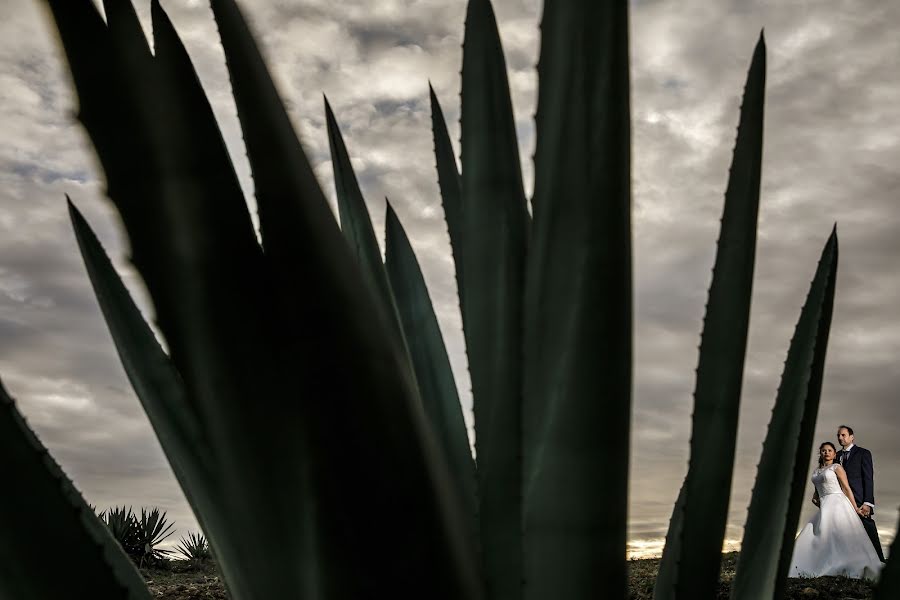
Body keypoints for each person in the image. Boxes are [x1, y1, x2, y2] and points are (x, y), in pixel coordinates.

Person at [788, 442, 883, 579]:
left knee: (835, 533)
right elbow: (817, 491)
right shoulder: (817, 470)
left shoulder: (837, 467)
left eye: (830, 450)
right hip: (824, 504)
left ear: (834, 453)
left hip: (837, 502)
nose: (826, 452)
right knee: (818, 532)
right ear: (820, 453)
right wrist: (815, 498)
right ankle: (812, 563)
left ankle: (841, 564)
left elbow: (846, 488)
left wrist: (855, 508)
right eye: (824, 450)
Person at [837, 425, 885, 562]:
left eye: (843, 435)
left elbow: (868, 478)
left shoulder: (863, 453)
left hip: (859, 499)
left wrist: (868, 502)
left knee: (867, 527)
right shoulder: (837, 455)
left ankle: (880, 561)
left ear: (852, 437)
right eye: (838, 435)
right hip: (841, 500)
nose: (840, 438)